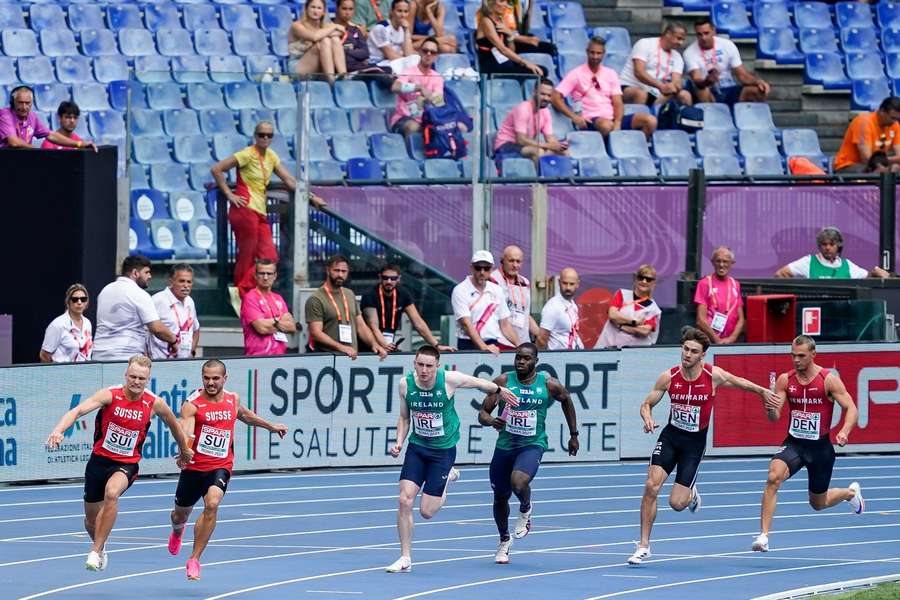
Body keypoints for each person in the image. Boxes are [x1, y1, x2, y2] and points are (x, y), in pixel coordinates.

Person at [627, 327, 776, 565]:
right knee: (651, 487)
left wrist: (761, 391)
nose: (687, 354)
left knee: (677, 504)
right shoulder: (669, 376)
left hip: (694, 444)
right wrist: (647, 418)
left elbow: (739, 382)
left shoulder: (713, 375)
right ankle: (644, 545)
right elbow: (647, 403)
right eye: (685, 349)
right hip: (670, 437)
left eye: (693, 351)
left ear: (702, 355)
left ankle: (690, 492)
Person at [46, 355, 192, 571]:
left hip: (126, 465)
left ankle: (95, 552)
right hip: (98, 462)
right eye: (133, 376)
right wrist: (58, 430)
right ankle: (101, 546)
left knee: (112, 493)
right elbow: (77, 411)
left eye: (142, 378)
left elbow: (174, 425)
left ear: (148, 379)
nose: (136, 381)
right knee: (91, 522)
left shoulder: (154, 403)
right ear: (126, 375)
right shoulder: (110, 395)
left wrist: (184, 449)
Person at [385, 344, 520, 573]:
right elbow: (404, 417)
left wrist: (499, 390)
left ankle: (448, 477)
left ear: (438, 366)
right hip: (417, 448)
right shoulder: (405, 384)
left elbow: (478, 383)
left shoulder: (449, 380)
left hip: (442, 451)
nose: (424, 370)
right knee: (404, 500)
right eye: (420, 365)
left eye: (429, 366)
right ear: (414, 364)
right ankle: (405, 557)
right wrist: (399, 441)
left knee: (427, 512)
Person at [168, 359, 287, 581]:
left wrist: (271, 426)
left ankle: (194, 559)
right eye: (206, 378)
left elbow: (245, 415)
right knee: (179, 513)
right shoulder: (192, 404)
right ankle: (177, 529)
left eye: (215, 378)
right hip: (194, 468)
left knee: (212, 503)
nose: (210, 383)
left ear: (225, 378)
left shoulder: (232, 399)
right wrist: (185, 450)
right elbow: (186, 430)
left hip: (220, 466)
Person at [751, 335, 865, 553]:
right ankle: (764, 536)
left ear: (813, 354)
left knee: (818, 503)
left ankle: (850, 493)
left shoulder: (828, 380)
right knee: (773, 477)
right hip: (794, 444)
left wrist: (844, 431)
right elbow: (775, 417)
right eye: (793, 355)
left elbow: (851, 408)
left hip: (820, 448)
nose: (796, 360)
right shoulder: (786, 380)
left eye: (801, 356)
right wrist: (769, 406)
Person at [479, 343, 579, 564]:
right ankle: (504, 540)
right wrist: (491, 420)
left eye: (526, 358)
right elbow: (483, 413)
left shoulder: (548, 384)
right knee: (500, 497)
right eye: (518, 358)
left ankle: (525, 508)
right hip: (505, 446)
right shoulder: (503, 382)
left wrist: (574, 435)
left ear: (536, 361)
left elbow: (567, 400)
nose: (521, 362)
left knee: (519, 481)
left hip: (532, 443)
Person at [211, 121, 317, 299]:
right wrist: (229, 194)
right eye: (261, 134)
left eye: (269, 135)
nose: (265, 138)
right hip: (244, 209)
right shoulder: (247, 154)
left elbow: (288, 179)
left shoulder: (271, 156)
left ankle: (246, 291)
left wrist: (311, 197)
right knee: (247, 255)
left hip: (259, 211)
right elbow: (217, 169)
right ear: (255, 136)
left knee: (269, 255)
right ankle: (242, 295)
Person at [552, 37, 657, 138]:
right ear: (587, 52)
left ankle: (633, 148)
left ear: (603, 54)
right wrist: (573, 116)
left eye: (599, 53)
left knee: (650, 121)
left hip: (612, 119)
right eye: (592, 52)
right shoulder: (576, 73)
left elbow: (617, 102)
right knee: (606, 126)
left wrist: (618, 122)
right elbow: (555, 96)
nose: (595, 56)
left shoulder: (610, 73)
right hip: (591, 120)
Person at [92, 255, 178, 361]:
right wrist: (173, 340)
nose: (150, 276)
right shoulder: (139, 294)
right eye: (146, 272)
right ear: (135, 273)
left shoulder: (104, 291)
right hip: (126, 358)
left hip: (98, 356)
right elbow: (157, 328)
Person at [305, 254, 387, 358]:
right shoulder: (316, 298)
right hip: (328, 358)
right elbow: (316, 333)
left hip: (351, 356)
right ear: (328, 270)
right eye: (336, 270)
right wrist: (341, 348)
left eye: (344, 271)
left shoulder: (349, 294)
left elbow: (361, 326)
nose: (340, 274)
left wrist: (374, 344)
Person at [361, 264, 456, 352]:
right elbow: (373, 326)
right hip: (369, 344)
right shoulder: (370, 295)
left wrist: (436, 345)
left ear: (398, 279)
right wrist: (385, 344)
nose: (389, 281)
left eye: (393, 278)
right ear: (380, 277)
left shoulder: (403, 293)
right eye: (385, 278)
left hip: (387, 345)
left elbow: (418, 322)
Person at [684, 19, 770, 106]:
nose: (703, 38)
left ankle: (751, 118)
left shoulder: (727, 45)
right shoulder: (690, 52)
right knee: (701, 88)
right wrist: (707, 81)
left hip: (728, 86)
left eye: (706, 33)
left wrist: (758, 82)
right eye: (699, 34)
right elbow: (697, 79)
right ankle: (711, 115)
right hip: (707, 90)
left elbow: (742, 75)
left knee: (758, 91)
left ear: (713, 31)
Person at [451, 250, 520, 355]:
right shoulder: (460, 290)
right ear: (471, 268)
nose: (482, 272)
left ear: (492, 269)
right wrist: (483, 346)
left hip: (492, 344)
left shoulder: (497, 290)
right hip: (468, 344)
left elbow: (505, 325)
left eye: (486, 268)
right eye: (478, 268)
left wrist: (520, 346)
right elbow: (466, 323)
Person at [493, 78, 569, 164]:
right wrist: (548, 146)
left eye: (549, 95)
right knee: (538, 151)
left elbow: (550, 138)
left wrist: (559, 146)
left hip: (525, 146)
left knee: (564, 152)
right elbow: (521, 140)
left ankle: (564, 177)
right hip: (506, 146)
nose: (546, 98)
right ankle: (540, 177)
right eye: (542, 94)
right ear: (534, 92)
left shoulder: (545, 111)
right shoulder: (523, 108)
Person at [0, 86, 96, 150]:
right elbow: (14, 142)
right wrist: (35, 150)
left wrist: (79, 144)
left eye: (27, 103)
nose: (24, 107)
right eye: (20, 102)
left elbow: (51, 135)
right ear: (13, 102)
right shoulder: (5, 115)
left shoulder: (32, 117)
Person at [775, 226, 890, 279]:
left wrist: (875, 272)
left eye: (831, 244)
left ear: (838, 246)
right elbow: (781, 274)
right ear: (820, 246)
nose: (828, 248)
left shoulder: (847, 265)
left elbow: (867, 277)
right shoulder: (808, 262)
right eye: (824, 244)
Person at [619, 24, 692, 107]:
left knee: (685, 95)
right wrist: (661, 86)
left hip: (655, 92)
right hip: (629, 87)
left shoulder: (677, 57)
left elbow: (676, 79)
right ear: (668, 34)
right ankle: (638, 118)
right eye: (678, 38)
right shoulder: (645, 43)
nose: (681, 43)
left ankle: (688, 119)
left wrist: (675, 86)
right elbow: (639, 72)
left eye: (683, 40)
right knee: (641, 94)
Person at [389, 37, 445, 138]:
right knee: (414, 127)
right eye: (425, 51)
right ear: (419, 52)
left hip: (428, 118)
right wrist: (418, 87)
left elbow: (438, 101)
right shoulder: (409, 71)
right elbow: (395, 86)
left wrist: (425, 99)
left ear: (436, 56)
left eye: (432, 52)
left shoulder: (437, 77)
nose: (428, 54)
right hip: (404, 118)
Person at [240, 259, 298, 356]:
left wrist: (269, 323)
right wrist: (280, 320)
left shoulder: (278, 298)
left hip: (280, 357)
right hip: (257, 358)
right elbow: (262, 328)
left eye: (269, 273)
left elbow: (291, 327)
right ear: (255, 276)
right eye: (262, 273)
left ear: (275, 276)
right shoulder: (250, 298)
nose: (265, 277)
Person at [596, 264, 662, 348]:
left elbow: (644, 331)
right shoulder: (622, 294)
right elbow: (612, 315)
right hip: (608, 348)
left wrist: (621, 325)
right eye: (640, 277)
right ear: (635, 278)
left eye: (648, 279)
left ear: (654, 283)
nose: (644, 281)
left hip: (634, 355)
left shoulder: (654, 309)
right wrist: (634, 322)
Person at [475, 0, 548, 76]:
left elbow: (511, 50)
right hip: (491, 64)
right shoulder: (485, 21)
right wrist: (525, 63)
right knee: (537, 72)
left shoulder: (501, 21)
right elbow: (502, 49)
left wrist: (510, 35)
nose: (506, 5)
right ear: (491, 3)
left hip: (505, 61)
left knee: (542, 70)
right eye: (502, 2)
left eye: (507, 2)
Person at [833, 96, 900, 173]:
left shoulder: (895, 125)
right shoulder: (863, 122)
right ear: (882, 111)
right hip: (848, 165)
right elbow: (867, 158)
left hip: (878, 165)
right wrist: (889, 163)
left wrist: (891, 165)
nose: (895, 122)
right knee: (878, 172)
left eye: (898, 119)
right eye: (892, 118)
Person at [694, 246, 744, 345]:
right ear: (712, 262)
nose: (721, 265)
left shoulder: (735, 284)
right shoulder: (704, 283)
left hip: (730, 343)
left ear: (732, 263)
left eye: (725, 261)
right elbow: (700, 319)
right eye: (718, 261)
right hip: (708, 343)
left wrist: (732, 338)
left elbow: (741, 319)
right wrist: (717, 340)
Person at [491, 245, 539, 346]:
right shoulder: (493, 280)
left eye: (518, 261)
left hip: (523, 342)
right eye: (511, 260)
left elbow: (525, 314)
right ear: (502, 260)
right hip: (501, 342)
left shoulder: (525, 282)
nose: (515, 265)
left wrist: (541, 335)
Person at [149, 264, 200, 360]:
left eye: (189, 282)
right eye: (181, 281)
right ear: (171, 282)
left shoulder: (190, 301)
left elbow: (196, 330)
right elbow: (145, 331)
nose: (186, 285)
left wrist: (192, 352)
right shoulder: (158, 300)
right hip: (160, 362)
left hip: (184, 363)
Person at [288, 0, 348, 80]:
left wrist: (330, 30)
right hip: (299, 67)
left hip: (319, 67)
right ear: (306, 9)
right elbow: (314, 37)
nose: (315, 11)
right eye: (313, 7)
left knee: (335, 39)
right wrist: (333, 27)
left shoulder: (325, 27)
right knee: (324, 41)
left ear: (323, 12)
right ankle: (331, 80)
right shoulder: (297, 26)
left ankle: (343, 75)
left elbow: (342, 31)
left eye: (319, 8)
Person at [40, 283, 93, 363]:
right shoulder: (57, 325)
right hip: (62, 373)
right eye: (75, 299)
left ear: (86, 302)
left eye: (83, 299)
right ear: (68, 302)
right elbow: (44, 355)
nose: (79, 302)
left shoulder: (87, 323)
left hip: (84, 372)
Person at [537, 267, 583, 350]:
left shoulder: (573, 305)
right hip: (558, 358)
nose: (568, 287)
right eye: (565, 283)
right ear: (559, 282)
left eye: (571, 284)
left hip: (573, 355)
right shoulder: (553, 306)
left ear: (577, 284)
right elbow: (541, 339)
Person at [368, 0, 416, 69]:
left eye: (406, 11)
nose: (403, 15)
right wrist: (409, 62)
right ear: (392, 11)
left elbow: (409, 54)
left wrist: (406, 31)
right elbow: (392, 56)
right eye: (399, 11)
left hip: (392, 65)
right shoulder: (381, 28)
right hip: (376, 66)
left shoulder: (402, 29)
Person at [334, 0, 377, 75]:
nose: (347, 13)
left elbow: (365, 53)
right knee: (380, 72)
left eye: (351, 9)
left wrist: (347, 50)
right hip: (343, 67)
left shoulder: (356, 29)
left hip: (358, 66)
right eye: (344, 9)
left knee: (388, 70)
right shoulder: (330, 28)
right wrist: (354, 50)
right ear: (337, 9)